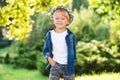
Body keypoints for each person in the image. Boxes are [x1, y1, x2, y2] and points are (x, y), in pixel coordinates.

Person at [43, 5, 76, 80]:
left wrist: (73, 60)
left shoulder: (70, 35)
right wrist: (49, 59)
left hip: (68, 65)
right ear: (53, 19)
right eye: (56, 18)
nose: (59, 20)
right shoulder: (50, 34)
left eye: (62, 19)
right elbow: (46, 50)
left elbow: (73, 49)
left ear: (68, 21)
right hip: (55, 64)